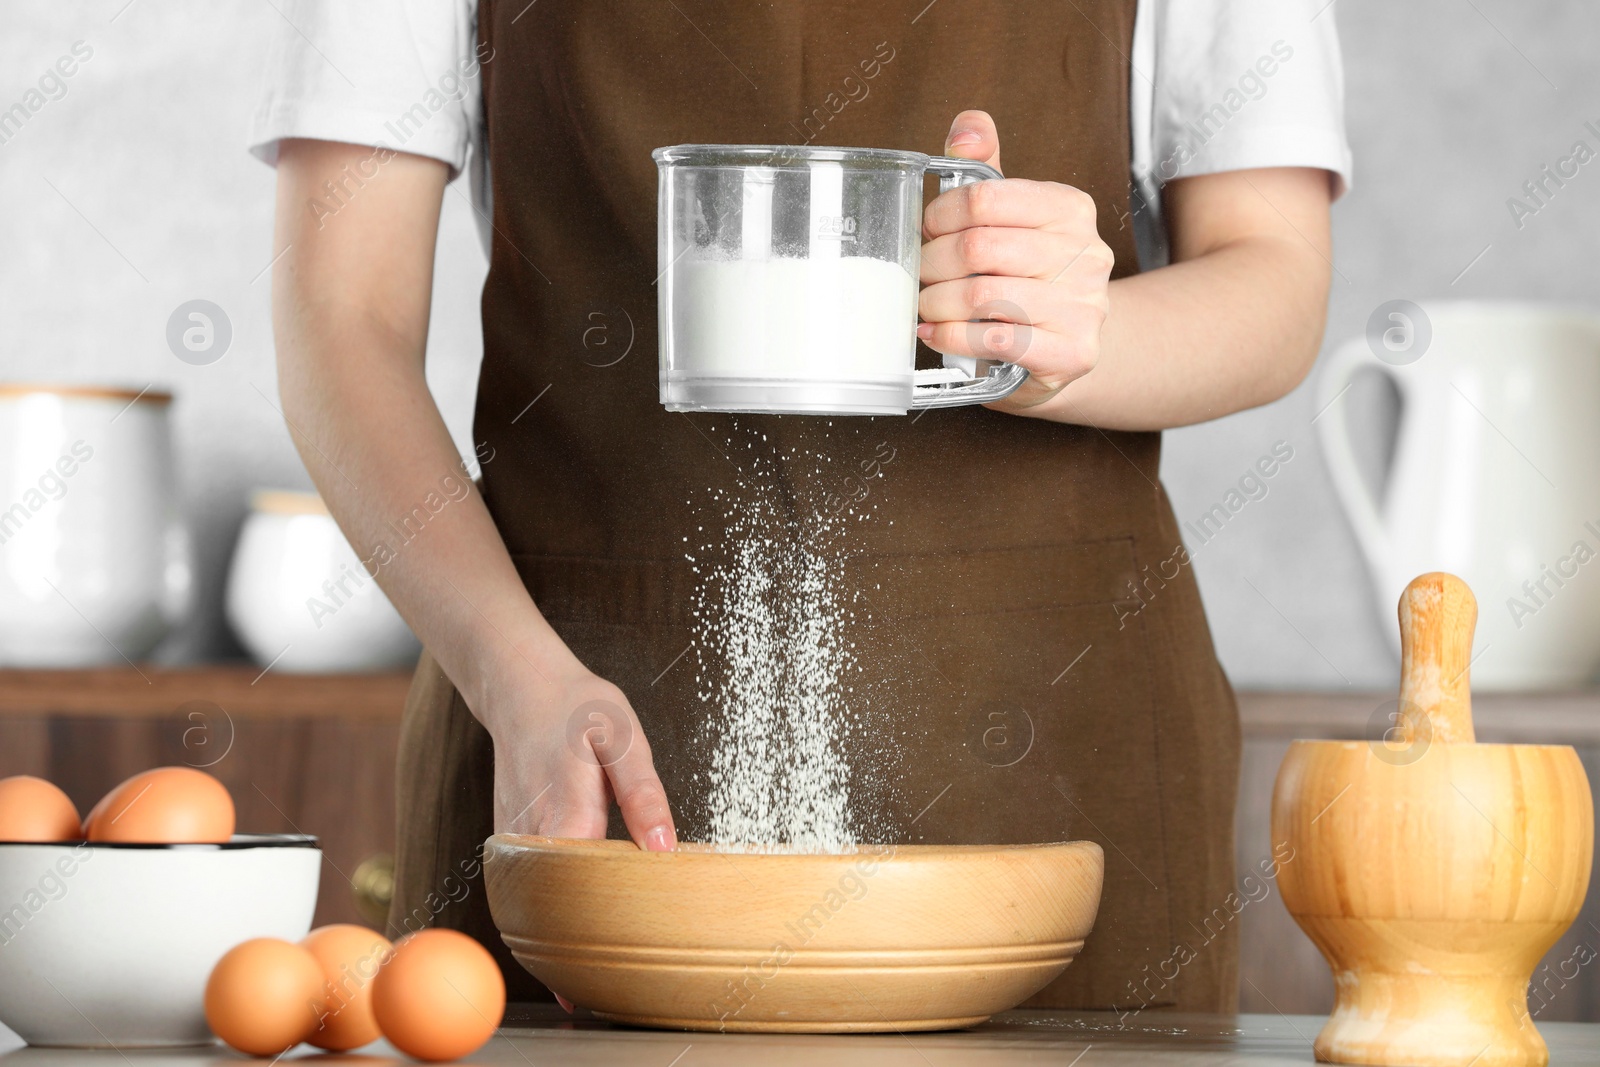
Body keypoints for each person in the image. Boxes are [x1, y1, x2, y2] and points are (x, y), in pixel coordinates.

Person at [251, 0, 1349, 1013]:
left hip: (1057, 735)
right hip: (575, 736)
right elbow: (344, 319)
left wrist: (1070, 342)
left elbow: (1273, 276)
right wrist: (511, 672)